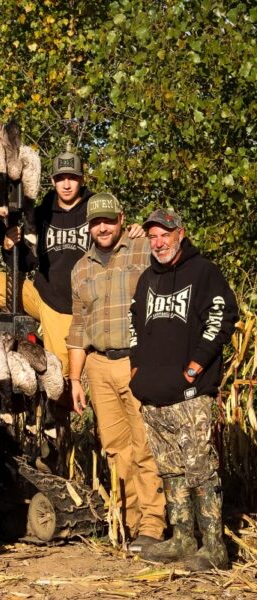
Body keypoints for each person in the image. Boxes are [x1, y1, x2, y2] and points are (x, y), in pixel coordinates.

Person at [129, 208, 237, 571]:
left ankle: (214, 547)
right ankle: (182, 538)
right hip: (154, 396)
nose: (158, 242)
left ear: (180, 234)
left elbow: (223, 317)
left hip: (191, 396)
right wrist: (136, 370)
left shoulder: (203, 272)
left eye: (165, 235)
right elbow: (134, 327)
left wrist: (196, 366)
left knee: (200, 470)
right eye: (153, 236)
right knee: (170, 471)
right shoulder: (146, 279)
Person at [66, 193, 166, 552]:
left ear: (122, 219)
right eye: (96, 222)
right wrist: (75, 379)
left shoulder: (141, 250)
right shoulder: (81, 268)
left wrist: (150, 232)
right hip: (97, 364)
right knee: (115, 449)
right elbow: (78, 328)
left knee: (144, 446)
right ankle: (130, 524)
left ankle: (153, 526)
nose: (103, 227)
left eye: (108, 220)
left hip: (135, 362)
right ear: (88, 226)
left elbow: (176, 261)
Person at [0, 151, 94, 375]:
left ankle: (58, 407)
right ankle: (40, 326)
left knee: (61, 370)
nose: (66, 184)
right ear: (53, 181)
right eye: (61, 178)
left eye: (72, 178)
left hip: (76, 304)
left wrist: (135, 232)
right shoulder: (40, 214)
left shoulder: (95, 212)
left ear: (82, 180)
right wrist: (9, 246)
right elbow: (26, 262)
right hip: (45, 296)